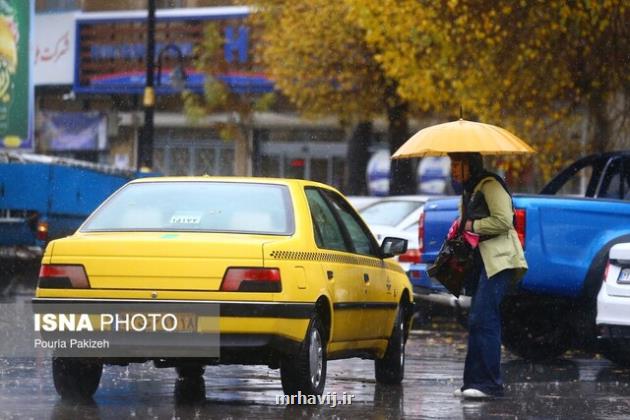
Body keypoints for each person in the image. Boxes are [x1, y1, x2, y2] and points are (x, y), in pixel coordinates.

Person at [448, 152, 528, 399]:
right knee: (476, 319)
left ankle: (490, 385)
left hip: (500, 261)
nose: (453, 169)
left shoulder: (490, 185)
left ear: (470, 165)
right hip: (483, 261)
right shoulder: (470, 190)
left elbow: (504, 221)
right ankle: (473, 383)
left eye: (457, 164)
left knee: (485, 317)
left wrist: (472, 226)